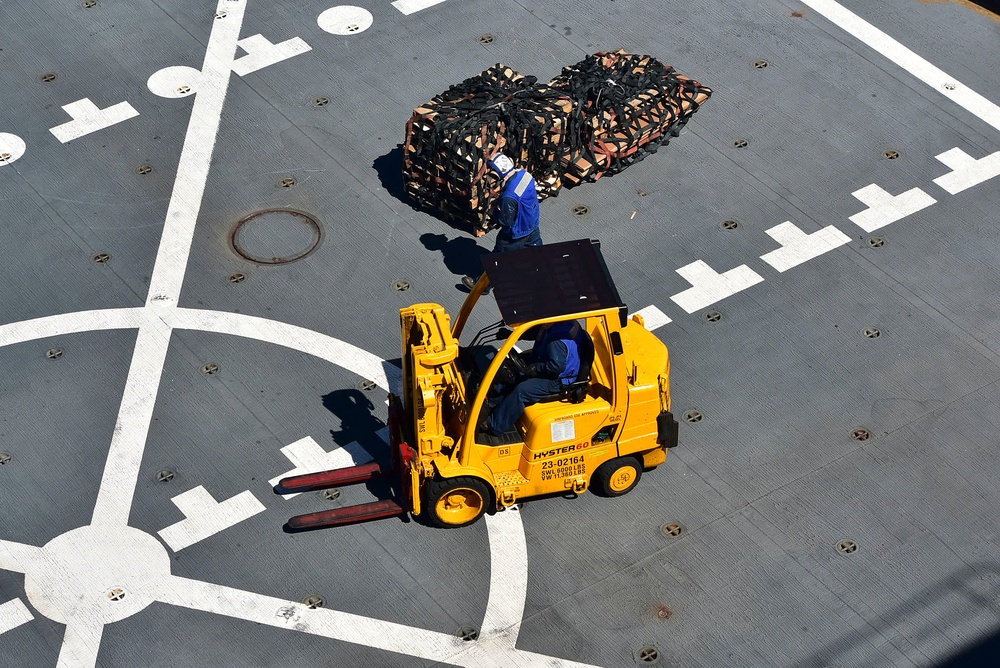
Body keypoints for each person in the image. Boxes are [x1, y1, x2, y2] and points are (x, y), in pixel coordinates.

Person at [462, 153, 542, 291]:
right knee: (537, 252)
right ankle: (544, 273)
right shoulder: (525, 175)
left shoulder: (508, 197)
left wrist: (494, 211)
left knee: (497, 260)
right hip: (532, 224)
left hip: (515, 233)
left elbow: (506, 221)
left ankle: (481, 286)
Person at [485, 323, 580, 437]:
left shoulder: (556, 339)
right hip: (546, 359)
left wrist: (536, 368)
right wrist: (512, 335)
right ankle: (493, 401)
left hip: (559, 379)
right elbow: (537, 332)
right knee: (513, 367)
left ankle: (495, 425)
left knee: (522, 391)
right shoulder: (557, 323)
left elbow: (556, 367)